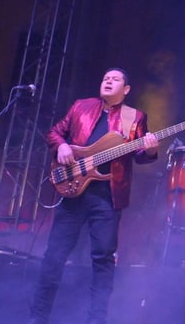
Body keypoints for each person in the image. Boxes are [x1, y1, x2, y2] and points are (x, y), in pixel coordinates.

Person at [27, 68, 158, 324]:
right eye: (105, 77)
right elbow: (54, 132)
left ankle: (96, 320)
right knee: (54, 256)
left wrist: (151, 151)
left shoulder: (135, 117)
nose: (108, 80)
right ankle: (37, 318)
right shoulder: (81, 106)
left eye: (115, 79)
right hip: (73, 191)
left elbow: (139, 155)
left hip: (107, 198)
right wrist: (62, 145)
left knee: (103, 260)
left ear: (126, 89)